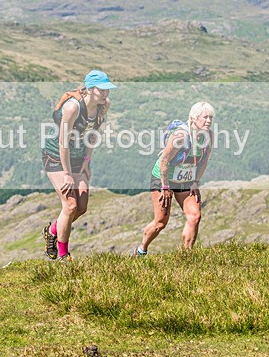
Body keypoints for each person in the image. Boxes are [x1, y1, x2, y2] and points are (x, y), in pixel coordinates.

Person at [42, 70, 116, 262]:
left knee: (81, 207)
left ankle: (52, 231)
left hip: (78, 157)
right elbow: (63, 143)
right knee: (70, 206)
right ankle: (63, 256)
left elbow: (92, 134)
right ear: (90, 89)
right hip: (56, 156)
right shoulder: (72, 107)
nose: (106, 93)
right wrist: (67, 174)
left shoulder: (101, 107)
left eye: (107, 89)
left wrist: (86, 162)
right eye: (102, 89)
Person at [134, 102, 214, 254]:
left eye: (211, 117)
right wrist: (165, 187)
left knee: (195, 216)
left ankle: (186, 255)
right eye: (205, 117)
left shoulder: (209, 136)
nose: (209, 121)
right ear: (193, 118)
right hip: (164, 178)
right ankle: (141, 250)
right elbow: (164, 161)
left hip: (186, 180)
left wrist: (195, 182)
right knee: (160, 222)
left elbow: (204, 160)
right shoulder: (181, 135)